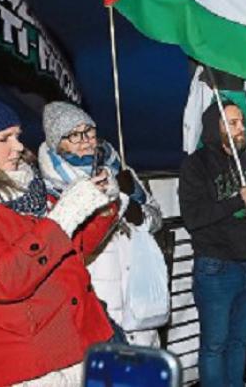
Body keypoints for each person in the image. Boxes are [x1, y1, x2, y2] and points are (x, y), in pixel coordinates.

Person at [0, 90, 117, 386]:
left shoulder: (27, 187)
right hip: (28, 362)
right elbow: (2, 280)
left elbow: (72, 250)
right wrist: (63, 216)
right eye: (3, 139)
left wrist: (104, 208)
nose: (18, 147)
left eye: (17, 135)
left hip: (74, 341)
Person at [37, 101, 164, 346]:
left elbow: (155, 219)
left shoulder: (121, 173)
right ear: (56, 142)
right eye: (74, 134)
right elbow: (57, 245)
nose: (86, 140)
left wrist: (134, 209)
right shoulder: (48, 189)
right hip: (93, 297)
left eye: (90, 131)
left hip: (138, 293)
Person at [179, 101, 246, 386]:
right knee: (215, 346)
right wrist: (236, 201)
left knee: (240, 343)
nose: (240, 128)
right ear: (214, 127)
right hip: (216, 268)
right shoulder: (197, 164)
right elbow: (193, 217)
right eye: (231, 122)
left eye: (241, 122)